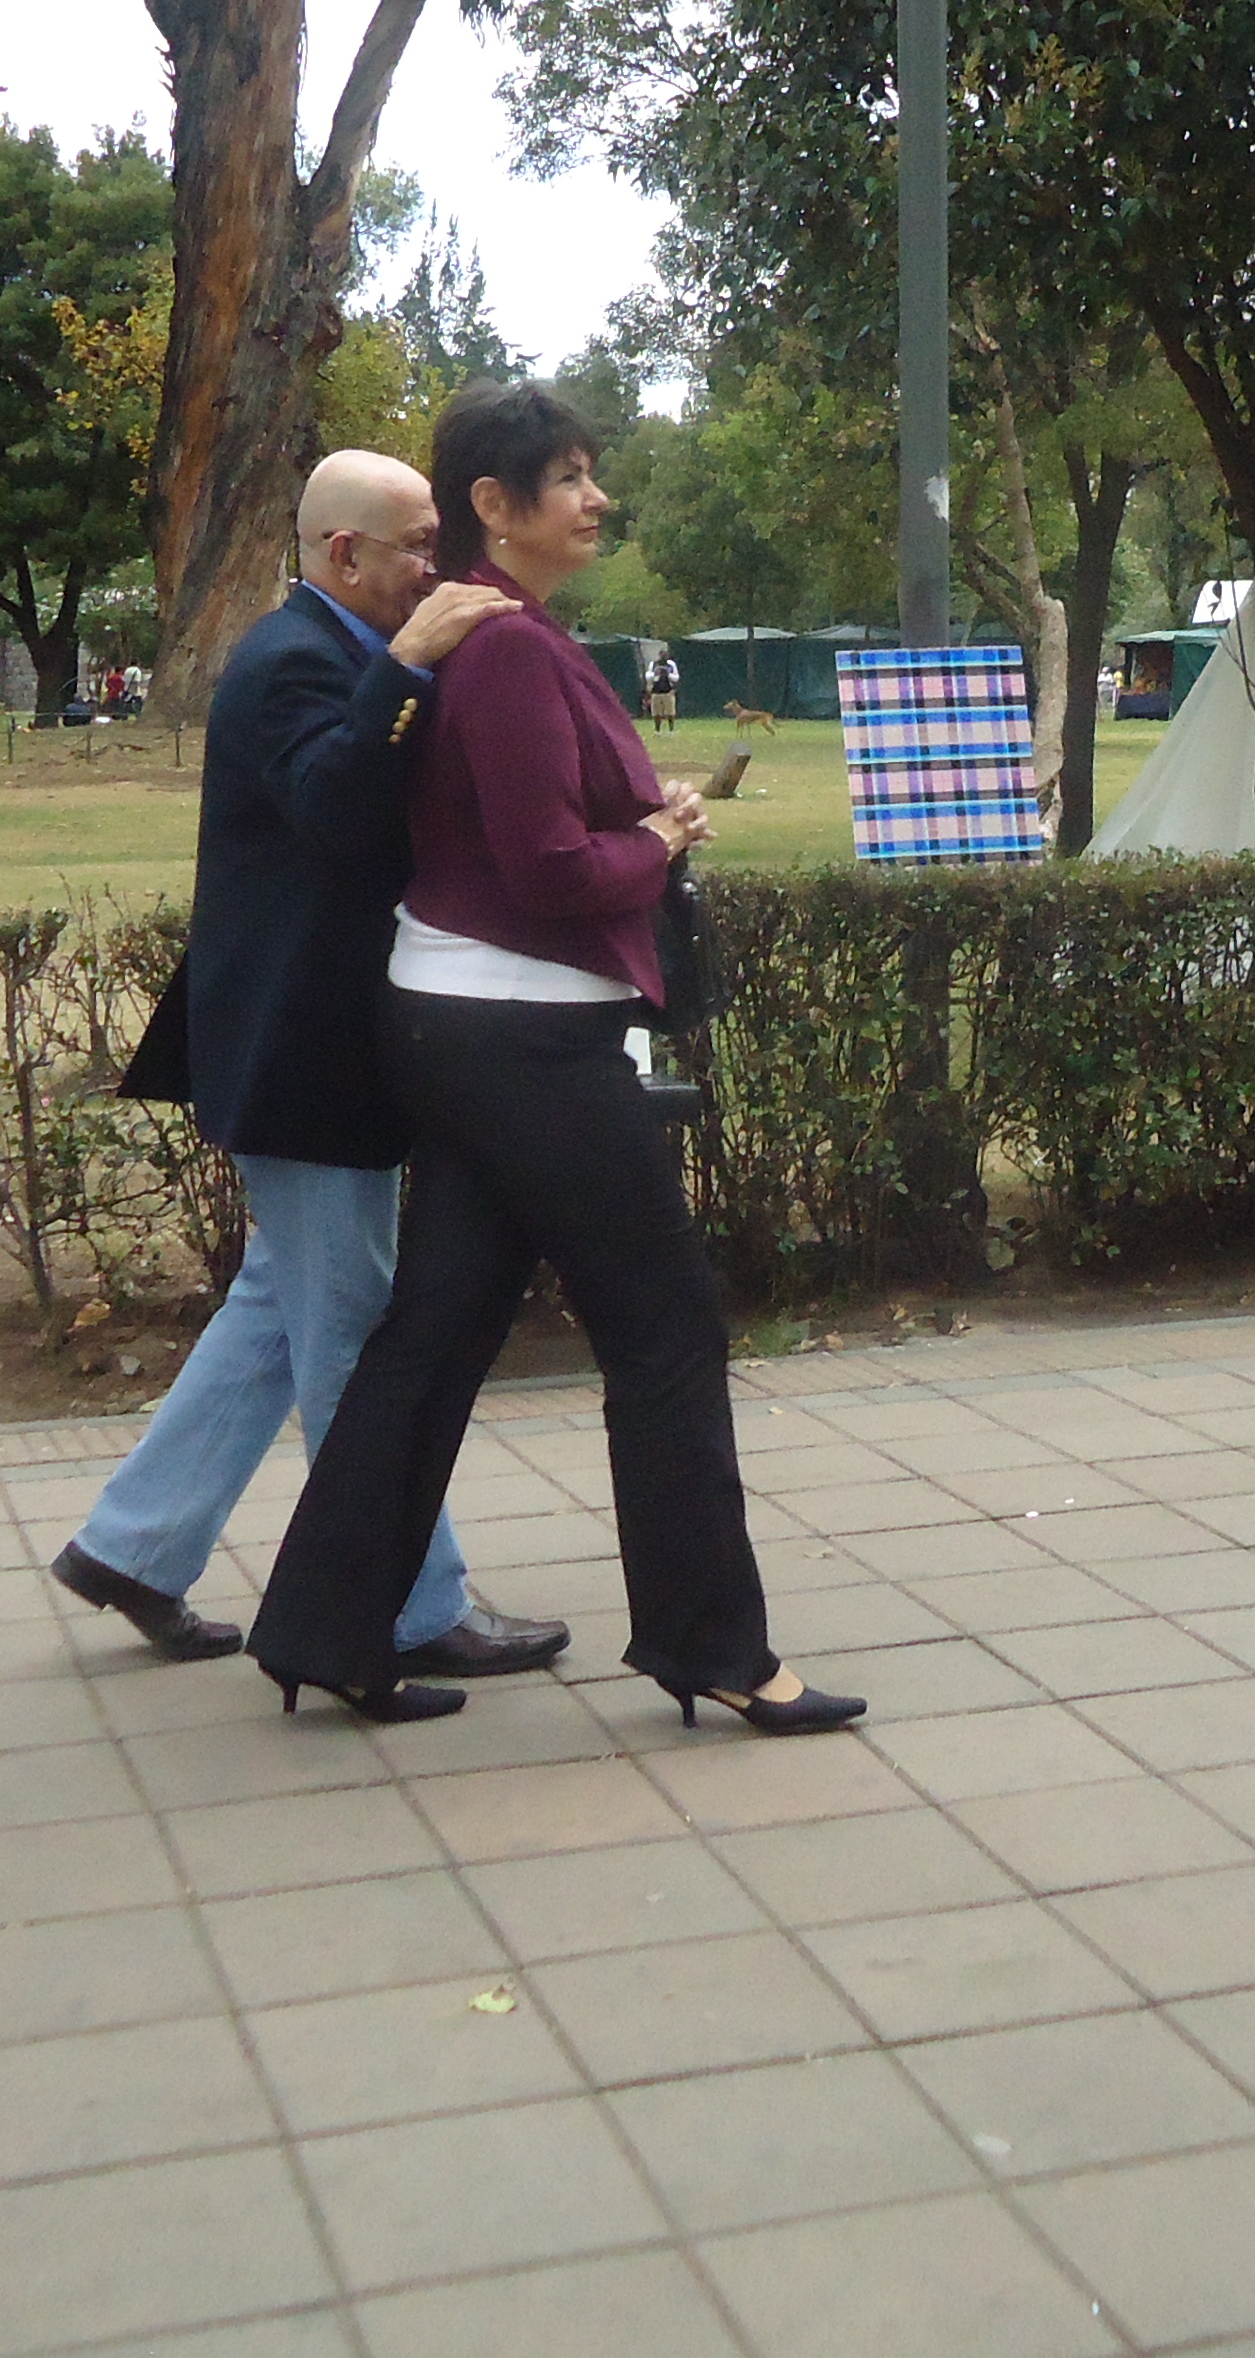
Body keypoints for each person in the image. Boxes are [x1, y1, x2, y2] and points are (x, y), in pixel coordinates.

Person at [244, 384, 862, 1736]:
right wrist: (661, 842)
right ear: (491, 506)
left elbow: (520, 825)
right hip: (519, 1034)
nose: (596, 500)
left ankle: (323, 1627)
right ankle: (716, 1647)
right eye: (569, 477)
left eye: (594, 475)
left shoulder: (493, 633)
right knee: (666, 1326)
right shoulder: (509, 647)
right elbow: (548, 870)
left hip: (468, 1023)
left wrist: (644, 811)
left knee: (440, 1328)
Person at [51, 450, 569, 1682]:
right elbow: (336, 812)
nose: (436, 567)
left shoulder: (339, 655)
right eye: (415, 546)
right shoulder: (291, 663)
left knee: (284, 1310)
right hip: (302, 1063)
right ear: (345, 555)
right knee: (358, 1338)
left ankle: (134, 1547)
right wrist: (405, 669)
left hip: (317, 1056)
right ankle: (407, 1606)